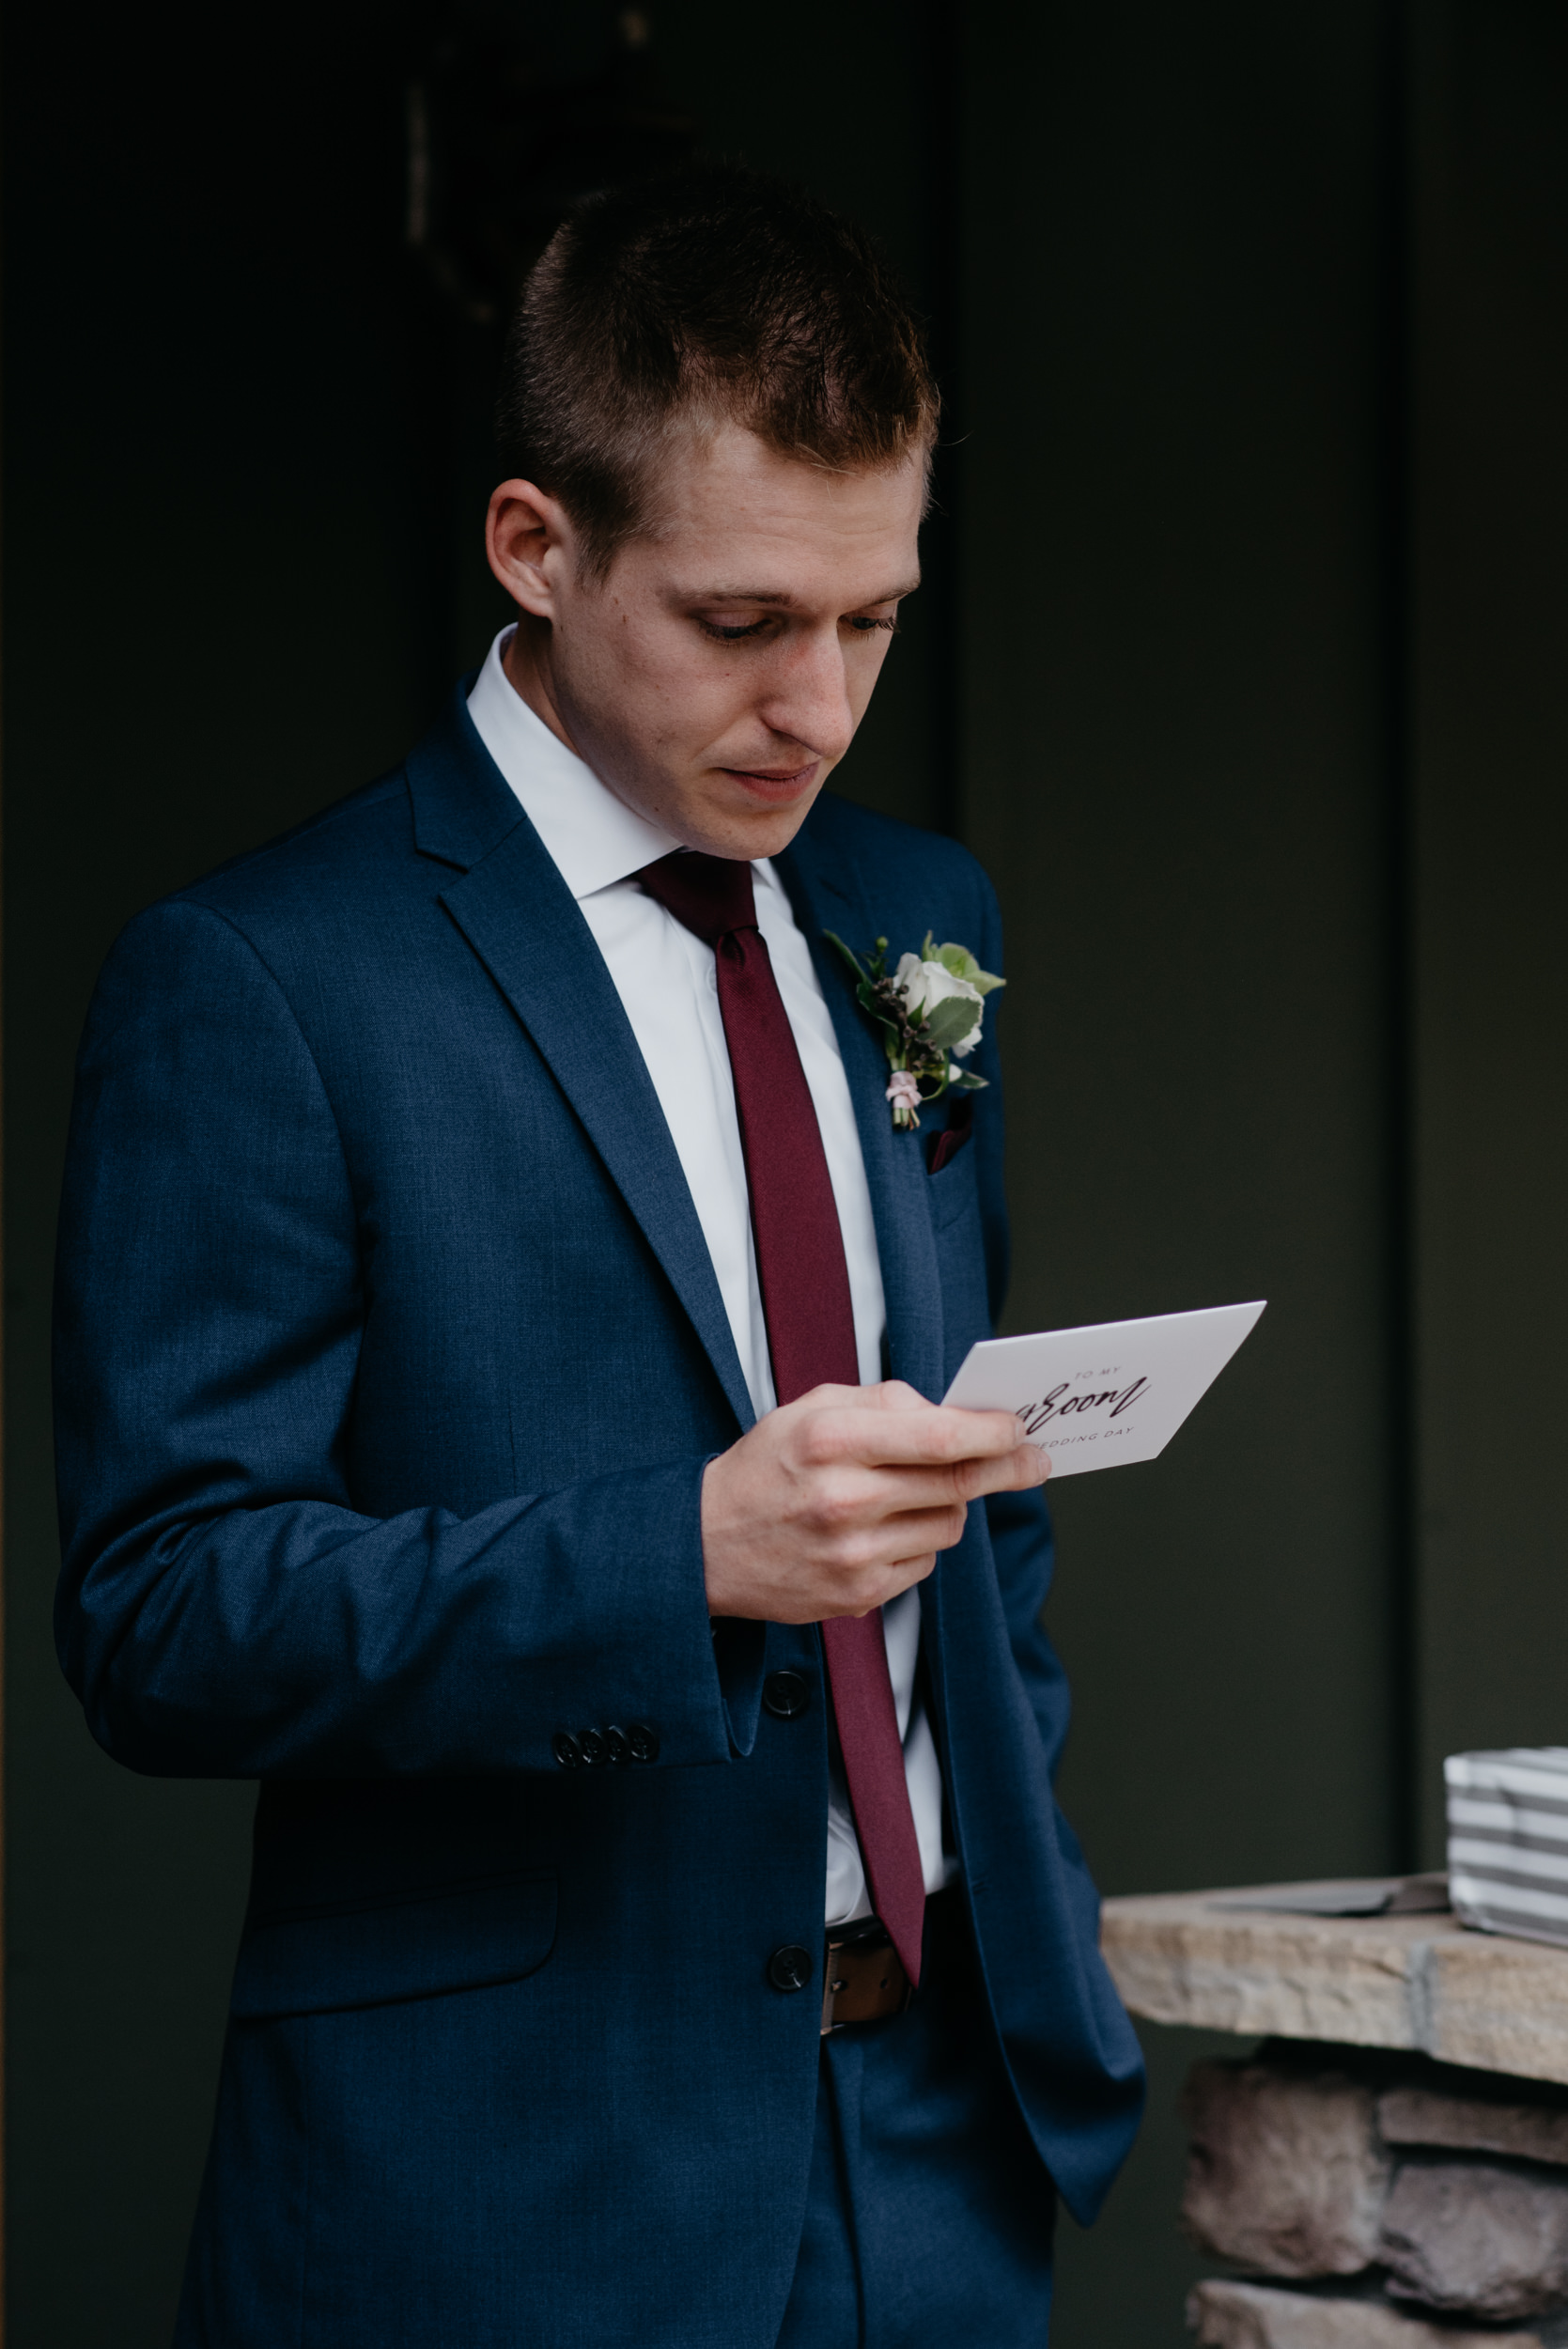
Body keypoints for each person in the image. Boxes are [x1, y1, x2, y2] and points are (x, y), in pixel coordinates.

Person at [53, 164, 1143, 2349]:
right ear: (534, 547)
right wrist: (678, 1557)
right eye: (741, 622)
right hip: (503, 2186)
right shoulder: (267, 976)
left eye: (872, 619)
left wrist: (1022, 1893)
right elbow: (159, 1610)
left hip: (943, 2146)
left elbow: (971, 1517)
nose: (818, 704)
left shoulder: (918, 910)